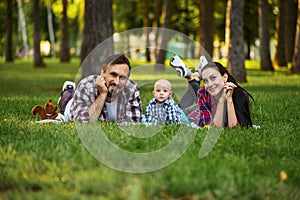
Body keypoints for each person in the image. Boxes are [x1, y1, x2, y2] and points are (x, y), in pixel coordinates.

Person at [170, 55, 253, 128]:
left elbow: (235, 128)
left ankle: (193, 77)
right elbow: (212, 126)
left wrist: (229, 99)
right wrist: (221, 100)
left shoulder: (241, 95)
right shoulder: (203, 93)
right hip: (196, 113)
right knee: (176, 113)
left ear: (224, 77)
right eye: (205, 81)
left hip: (203, 108)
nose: (209, 84)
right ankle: (194, 77)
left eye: (213, 78)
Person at [59, 54, 142, 123]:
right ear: (103, 72)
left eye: (122, 77)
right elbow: (82, 122)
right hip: (70, 106)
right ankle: (67, 90)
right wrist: (103, 94)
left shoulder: (131, 88)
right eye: (113, 74)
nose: (117, 82)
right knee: (66, 98)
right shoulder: (87, 85)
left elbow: (134, 122)